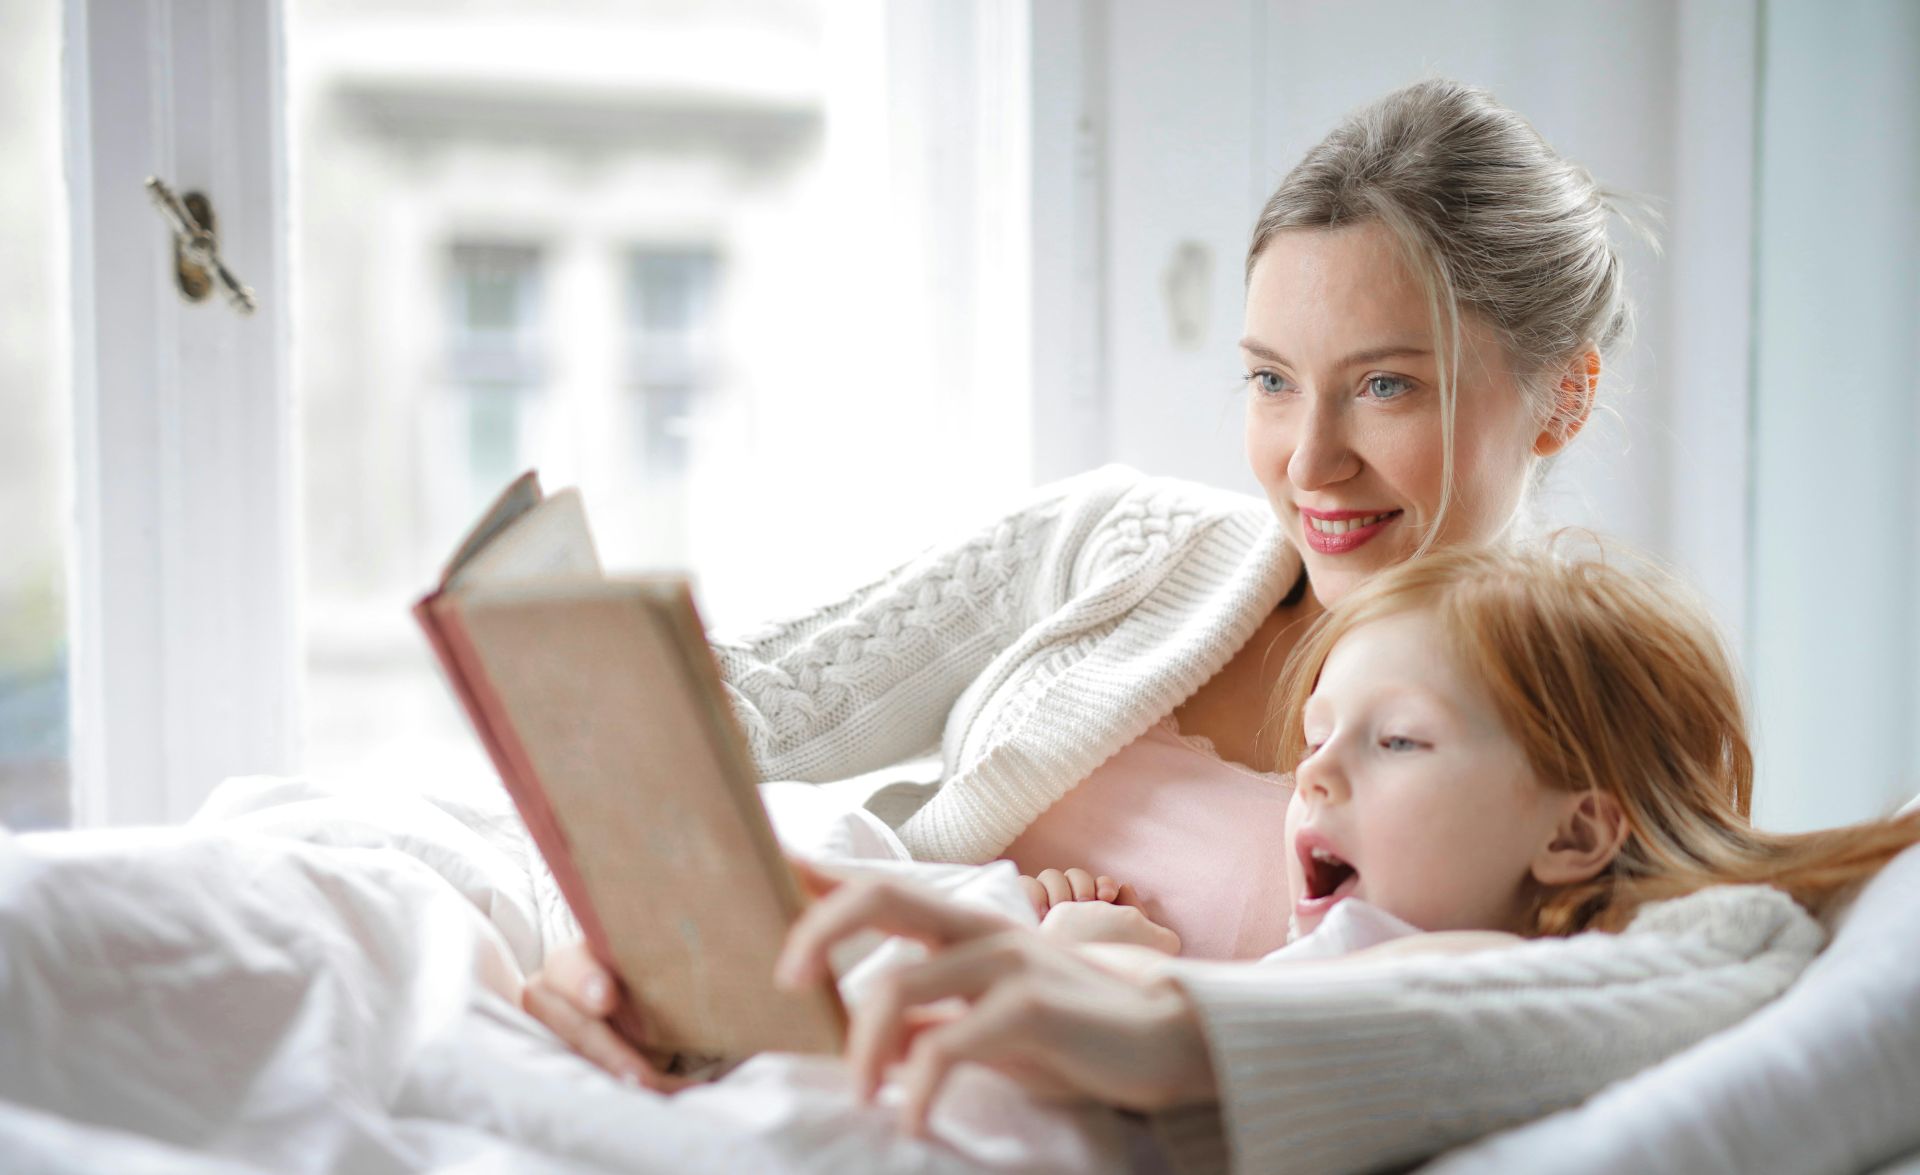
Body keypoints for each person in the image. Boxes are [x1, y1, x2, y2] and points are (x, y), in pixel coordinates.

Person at [522, 77, 1633, 1083]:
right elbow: (717, 725)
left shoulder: (1583, 740)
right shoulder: (1121, 542)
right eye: (1271, 380)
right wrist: (626, 941)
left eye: (1385, 385)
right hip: (796, 1054)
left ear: (1565, 397)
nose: (1307, 461)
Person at [774, 545, 1920, 1168]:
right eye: (1317, 734)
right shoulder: (1344, 951)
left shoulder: (1470, 964)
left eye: (1398, 738)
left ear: (1575, 831)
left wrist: (1092, 965)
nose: (1312, 775)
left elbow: (1730, 946)